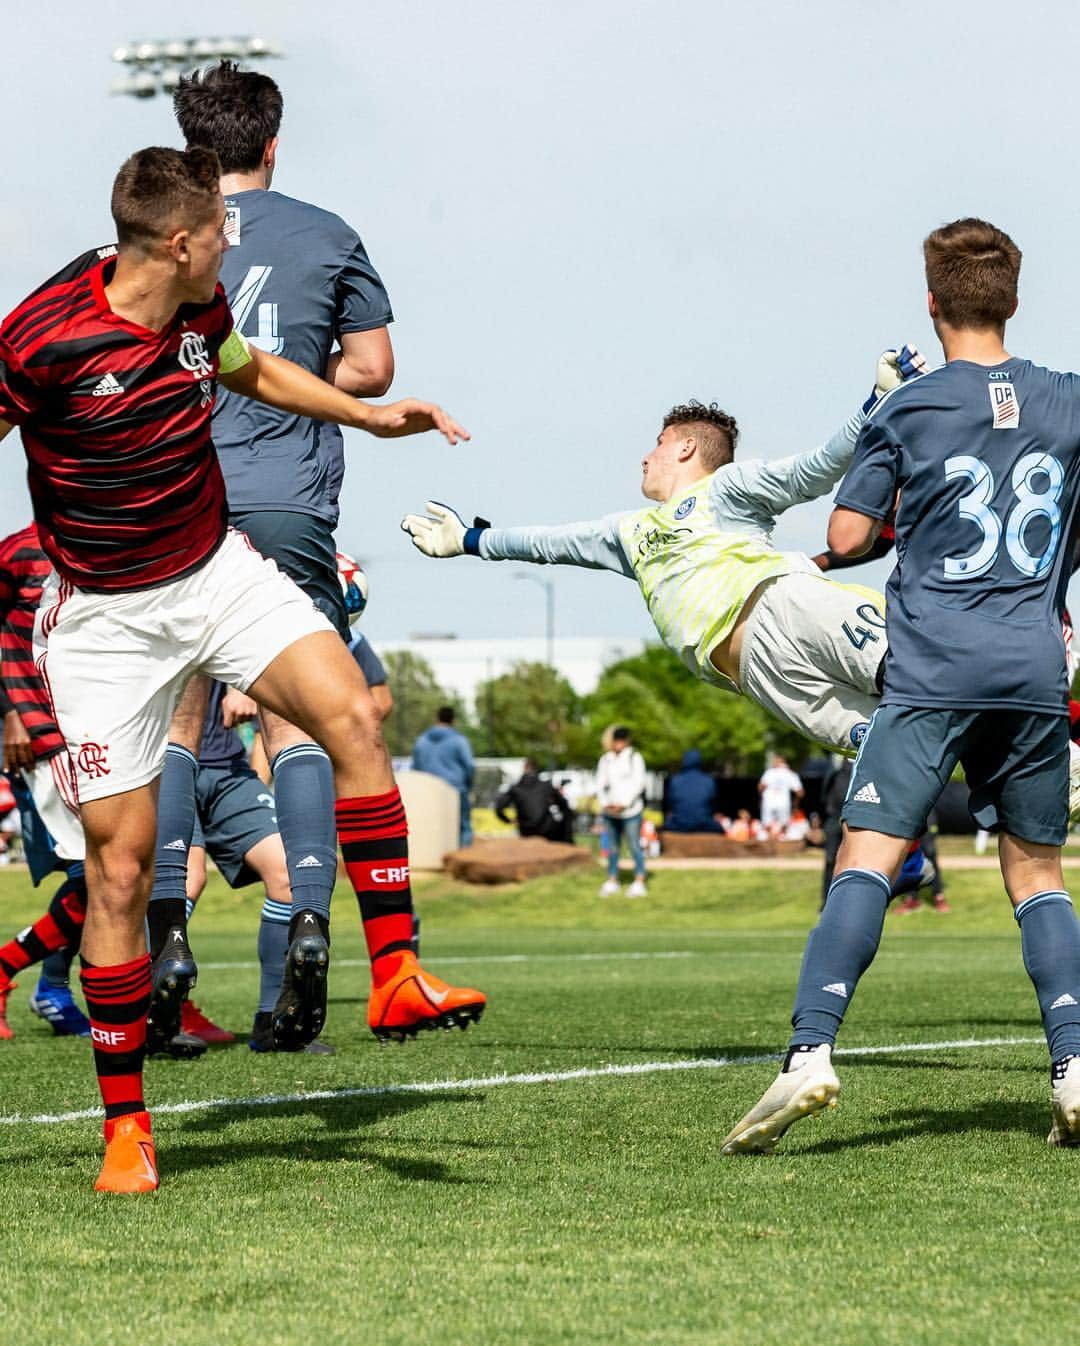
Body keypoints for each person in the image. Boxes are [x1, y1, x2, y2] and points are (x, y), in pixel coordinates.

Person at [0, 145, 482, 1193]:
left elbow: (246, 370)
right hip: (104, 622)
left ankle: (395, 972)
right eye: (222, 229)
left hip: (216, 569)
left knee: (350, 711)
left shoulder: (199, 309)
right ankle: (125, 1125)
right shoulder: (42, 338)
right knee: (118, 869)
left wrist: (364, 413)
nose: (234, 240)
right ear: (179, 242)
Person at [723, 218, 1080, 1156]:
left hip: (932, 667)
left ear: (931, 301)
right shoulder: (1070, 401)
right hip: (1034, 668)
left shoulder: (911, 406)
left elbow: (844, 538)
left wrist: (897, 525)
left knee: (867, 859)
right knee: (1038, 876)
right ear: (1012, 297)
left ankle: (809, 1052)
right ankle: (1073, 1063)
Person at [165, 64, 403, 1038]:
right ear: (274, 142)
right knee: (293, 719)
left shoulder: (154, 244)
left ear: (189, 149)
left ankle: (165, 930)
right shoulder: (328, 232)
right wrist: (302, 377)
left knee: (176, 723)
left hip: (175, 495)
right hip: (289, 497)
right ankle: (308, 913)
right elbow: (374, 365)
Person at [401, 348, 926, 758]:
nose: (644, 457)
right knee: (893, 742)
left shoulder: (729, 487)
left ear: (684, 447)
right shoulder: (626, 532)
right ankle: (915, 856)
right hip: (756, 676)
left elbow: (813, 468)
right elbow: (546, 544)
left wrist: (874, 404)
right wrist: (469, 540)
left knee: (924, 676)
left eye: (656, 443)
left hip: (787, 606)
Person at [596, 727, 648, 897]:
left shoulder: (634, 757)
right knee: (612, 847)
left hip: (631, 811)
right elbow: (600, 783)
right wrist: (606, 804)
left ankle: (639, 880)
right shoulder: (606, 759)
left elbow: (638, 783)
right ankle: (612, 879)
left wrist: (624, 804)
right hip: (610, 811)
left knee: (634, 845)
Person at [412, 707, 475, 846]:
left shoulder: (421, 740)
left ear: (437, 718)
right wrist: (468, 785)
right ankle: (461, 860)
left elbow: (415, 768)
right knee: (463, 825)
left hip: (428, 790)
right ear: (453, 720)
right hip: (455, 789)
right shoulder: (459, 740)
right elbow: (469, 765)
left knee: (429, 826)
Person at [495, 758, 574, 842]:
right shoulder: (546, 786)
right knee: (565, 818)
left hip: (525, 830)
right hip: (546, 831)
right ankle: (568, 843)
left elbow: (499, 807)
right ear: (536, 769)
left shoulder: (515, 788)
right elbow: (564, 805)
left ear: (524, 769)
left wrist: (508, 820)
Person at [663, 749, 724, 833]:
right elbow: (713, 804)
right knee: (720, 829)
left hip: (679, 825)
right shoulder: (708, 781)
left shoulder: (675, 781)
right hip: (704, 824)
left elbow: (670, 803)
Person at [758, 753, 803, 832]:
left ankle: (770, 843)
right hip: (784, 804)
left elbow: (760, 787)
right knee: (784, 827)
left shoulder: (769, 772)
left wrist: (761, 799)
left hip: (769, 803)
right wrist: (795, 804)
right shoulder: (790, 773)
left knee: (767, 827)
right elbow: (800, 792)